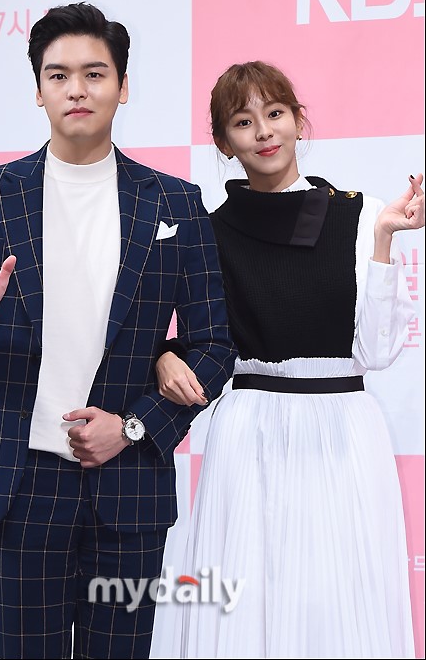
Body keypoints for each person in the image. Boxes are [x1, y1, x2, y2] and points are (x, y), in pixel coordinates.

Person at [0, 2, 236, 660]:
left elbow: (213, 346)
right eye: (58, 75)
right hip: (21, 483)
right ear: (37, 90)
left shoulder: (175, 203)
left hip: (129, 482)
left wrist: (133, 426)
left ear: (123, 87)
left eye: (95, 74)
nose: (77, 89)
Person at [154, 60, 424, 659]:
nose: (264, 131)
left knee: (339, 599)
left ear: (299, 121)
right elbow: (194, 336)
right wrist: (162, 359)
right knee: (248, 601)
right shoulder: (208, 232)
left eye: (275, 113)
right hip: (248, 430)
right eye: (243, 121)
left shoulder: (362, 215)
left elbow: (377, 352)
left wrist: (384, 241)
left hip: (343, 431)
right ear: (224, 142)